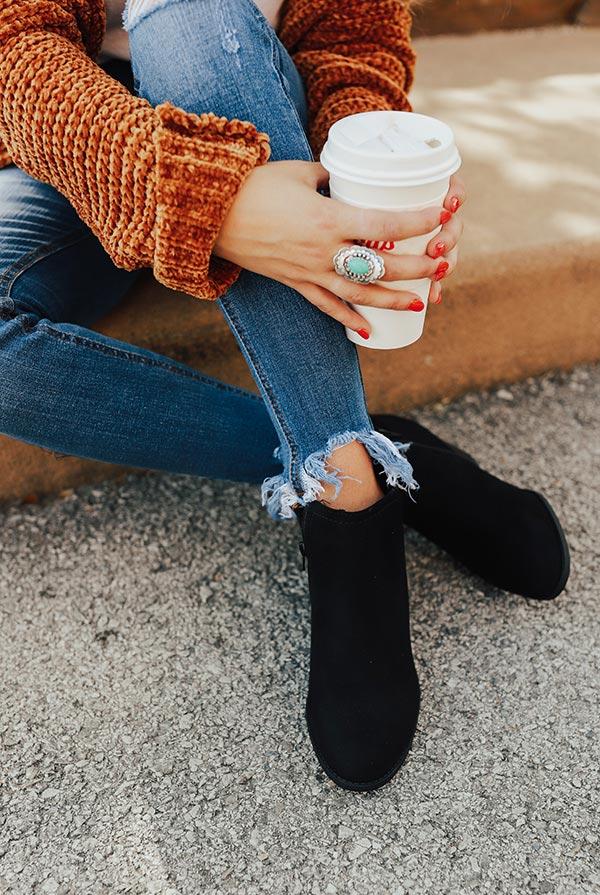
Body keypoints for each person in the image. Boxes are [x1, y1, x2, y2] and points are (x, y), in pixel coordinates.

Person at [0, 0, 569, 792]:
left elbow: (352, 47)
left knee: (192, 20)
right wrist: (207, 203)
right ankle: (359, 463)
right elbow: (13, 46)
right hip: (70, 143)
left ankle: (341, 482)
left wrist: (377, 181)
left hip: (258, 125)